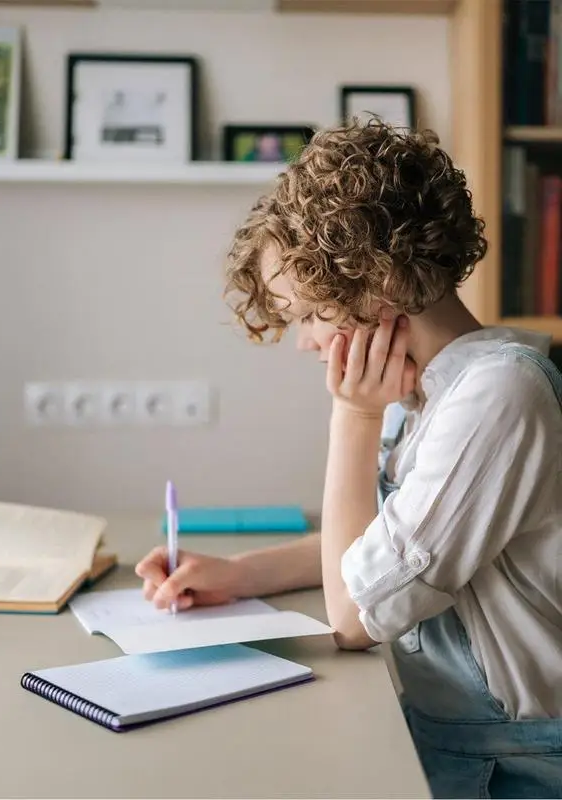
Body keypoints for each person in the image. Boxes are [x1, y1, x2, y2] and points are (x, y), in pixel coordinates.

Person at [135, 121, 562, 799]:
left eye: (307, 314)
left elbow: (353, 618)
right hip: (442, 731)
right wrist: (241, 575)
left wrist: (352, 418)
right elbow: (379, 543)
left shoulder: (498, 396)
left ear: (376, 284)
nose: (304, 342)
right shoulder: (427, 387)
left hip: (514, 765)